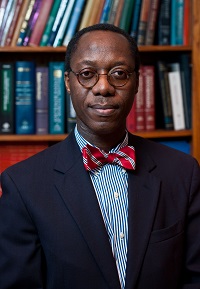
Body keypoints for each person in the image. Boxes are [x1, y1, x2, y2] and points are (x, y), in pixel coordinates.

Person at [0, 23, 200, 289]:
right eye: (87, 73)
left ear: (138, 82)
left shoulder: (183, 172)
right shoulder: (22, 185)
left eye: (119, 73)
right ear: (68, 82)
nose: (103, 87)